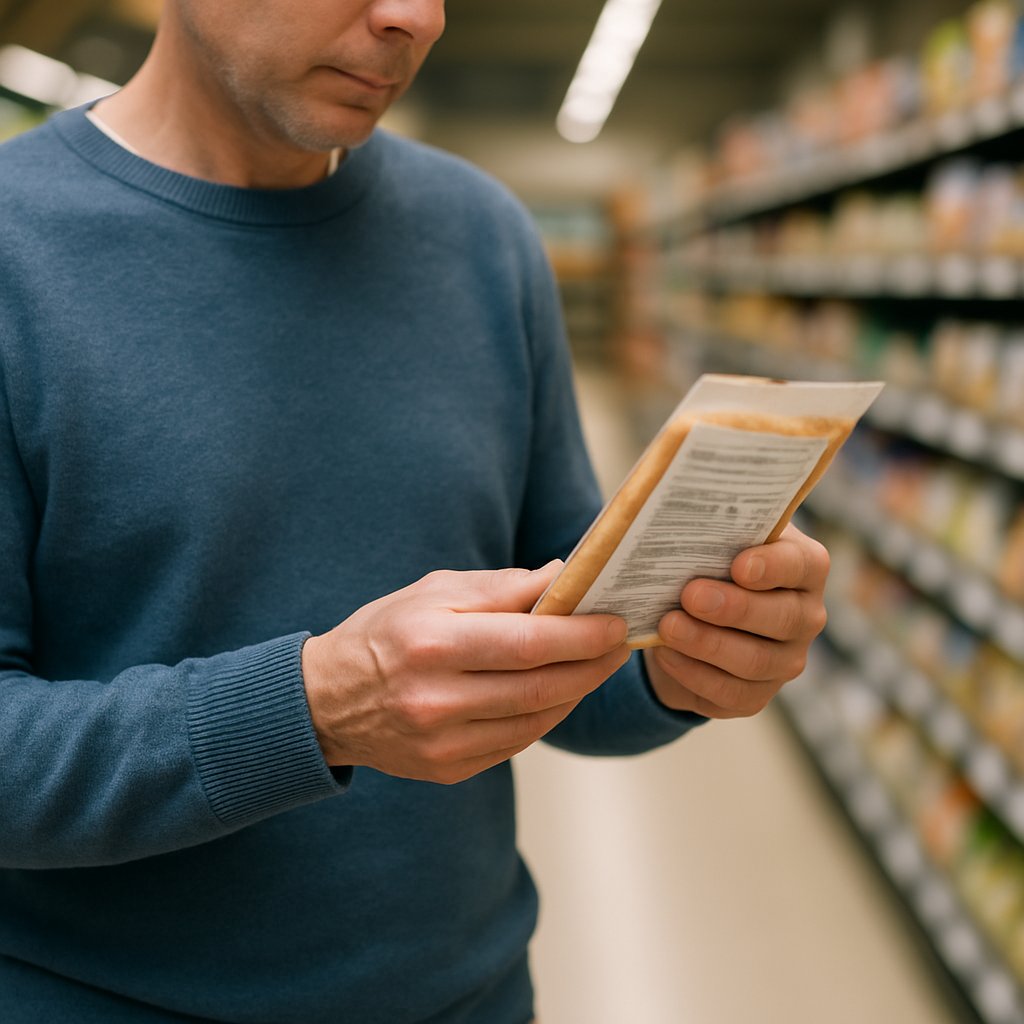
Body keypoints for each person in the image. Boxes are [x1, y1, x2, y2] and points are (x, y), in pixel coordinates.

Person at [0, 2, 830, 1021]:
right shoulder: (16, 250)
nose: (415, 17)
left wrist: (686, 657)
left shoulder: (482, 235)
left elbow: (576, 651)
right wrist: (313, 709)